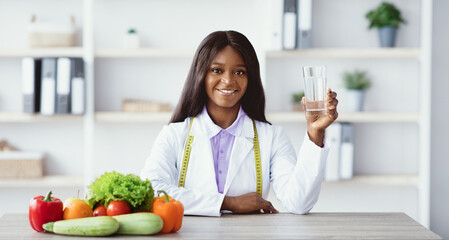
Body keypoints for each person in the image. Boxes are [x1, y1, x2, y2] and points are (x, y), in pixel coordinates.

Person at [140, 30, 338, 216]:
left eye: (240, 72)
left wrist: (315, 132)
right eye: (217, 70)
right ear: (201, 75)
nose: (228, 80)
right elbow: (152, 191)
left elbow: (299, 203)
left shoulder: (271, 137)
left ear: (250, 78)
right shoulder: (175, 134)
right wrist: (228, 203)